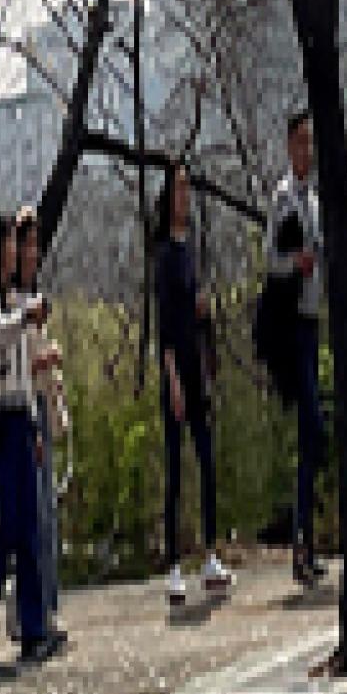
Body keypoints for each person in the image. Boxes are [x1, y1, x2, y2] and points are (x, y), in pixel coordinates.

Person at [0, 215, 52, 661]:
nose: (10, 251)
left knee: (29, 526)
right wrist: (24, 316)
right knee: (7, 529)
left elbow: (25, 368)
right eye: (5, 242)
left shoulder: (19, 298)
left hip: (22, 415)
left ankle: (35, 626)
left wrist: (38, 425)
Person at [155, 162, 232, 612]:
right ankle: (173, 566)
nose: (184, 197)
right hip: (175, 369)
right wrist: (174, 381)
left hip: (197, 365)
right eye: (178, 189)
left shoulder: (193, 249)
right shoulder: (165, 254)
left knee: (206, 460)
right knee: (175, 468)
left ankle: (210, 553)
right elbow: (166, 324)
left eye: (188, 188)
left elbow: (197, 313)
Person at [265, 107, 327, 586]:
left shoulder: (316, 199)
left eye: (311, 141)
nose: (306, 150)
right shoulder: (285, 198)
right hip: (294, 324)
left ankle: (306, 537)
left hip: (314, 319)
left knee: (314, 436)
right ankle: (299, 537)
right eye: (300, 142)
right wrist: (295, 263)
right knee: (310, 423)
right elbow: (272, 259)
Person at [16, 211, 68, 652]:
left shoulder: (32, 297)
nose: (33, 254)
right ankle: (33, 610)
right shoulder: (12, 302)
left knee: (47, 510)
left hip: (42, 404)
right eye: (26, 245)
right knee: (36, 512)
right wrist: (44, 361)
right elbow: (10, 365)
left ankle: (42, 605)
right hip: (24, 408)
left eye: (36, 245)